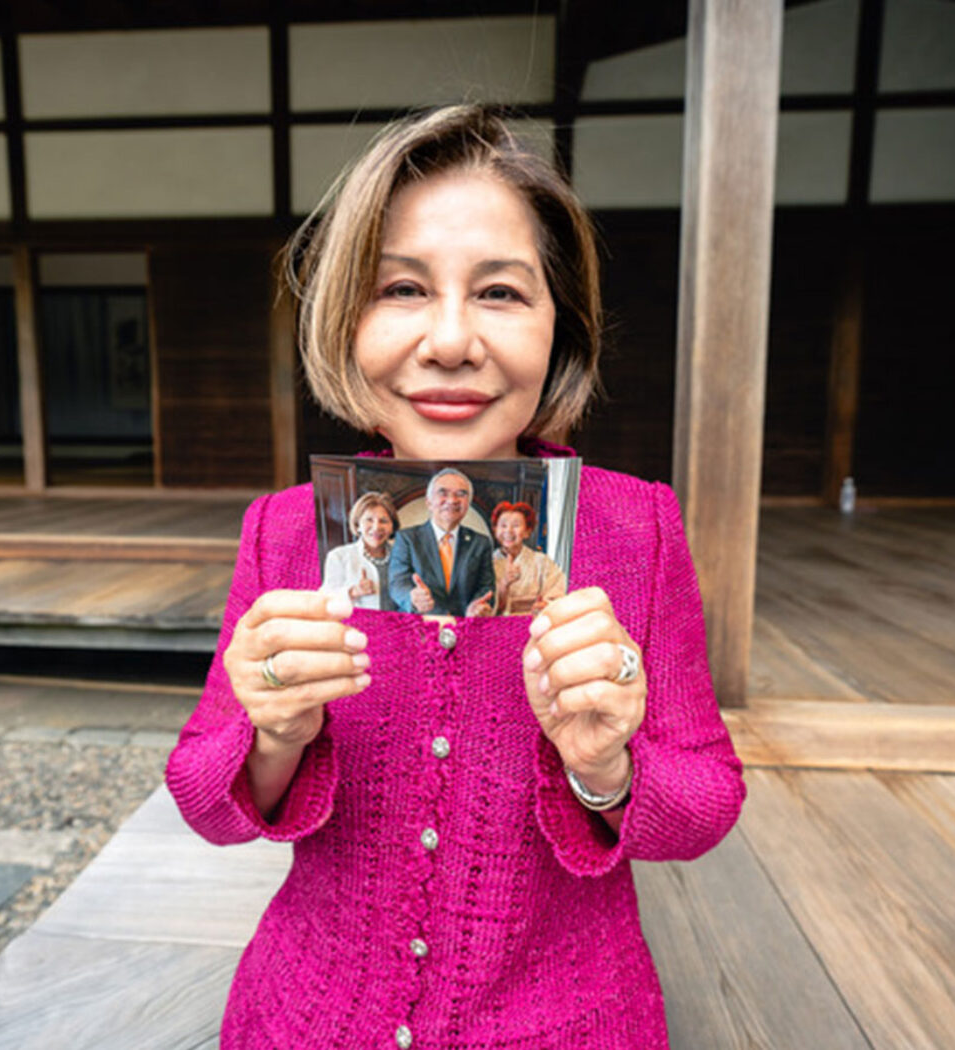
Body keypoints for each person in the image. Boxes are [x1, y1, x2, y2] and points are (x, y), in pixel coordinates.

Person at [166, 104, 745, 1050]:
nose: (448, 342)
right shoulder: (281, 532)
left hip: (569, 1020)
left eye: (502, 294)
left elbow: (705, 805)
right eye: (400, 287)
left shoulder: (634, 527)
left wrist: (607, 768)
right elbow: (204, 796)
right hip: (307, 1016)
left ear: (561, 325)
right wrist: (274, 737)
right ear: (345, 318)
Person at [388, 468, 495, 616]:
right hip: (419, 624)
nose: (452, 500)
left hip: (463, 625)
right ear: (429, 502)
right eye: (443, 493)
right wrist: (412, 597)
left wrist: (477, 606)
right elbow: (397, 583)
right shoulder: (407, 538)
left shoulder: (481, 542)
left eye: (461, 494)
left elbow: (486, 587)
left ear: (468, 504)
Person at [321, 490, 399, 611]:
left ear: (392, 527)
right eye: (369, 520)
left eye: (383, 521)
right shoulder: (339, 556)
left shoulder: (403, 556)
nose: (377, 527)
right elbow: (324, 600)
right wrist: (353, 592)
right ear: (358, 525)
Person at [490, 500, 567, 616]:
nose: (508, 531)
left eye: (516, 526)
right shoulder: (486, 562)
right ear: (495, 530)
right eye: (503, 525)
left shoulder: (542, 562)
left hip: (532, 624)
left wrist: (545, 605)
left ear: (527, 532)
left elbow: (557, 593)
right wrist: (504, 584)